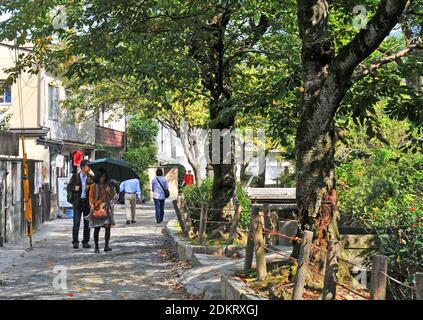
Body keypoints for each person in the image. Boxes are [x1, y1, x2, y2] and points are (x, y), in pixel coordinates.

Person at [87, 168, 115, 253]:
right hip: (97, 209)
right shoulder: (93, 186)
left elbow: (111, 197)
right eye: (102, 177)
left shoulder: (108, 185)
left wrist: (108, 192)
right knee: (97, 228)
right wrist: (92, 205)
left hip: (105, 209)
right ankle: (96, 247)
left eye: (104, 177)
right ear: (98, 177)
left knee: (107, 227)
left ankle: (106, 246)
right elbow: (91, 197)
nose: (103, 178)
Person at [67, 159, 93, 249]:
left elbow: (94, 189)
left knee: (87, 224)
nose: (89, 167)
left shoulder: (90, 177)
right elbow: (68, 187)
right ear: (82, 167)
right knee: (76, 223)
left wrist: (89, 188)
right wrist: (75, 188)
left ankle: (85, 242)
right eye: (87, 165)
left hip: (87, 203)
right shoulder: (75, 177)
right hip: (78, 203)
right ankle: (75, 242)